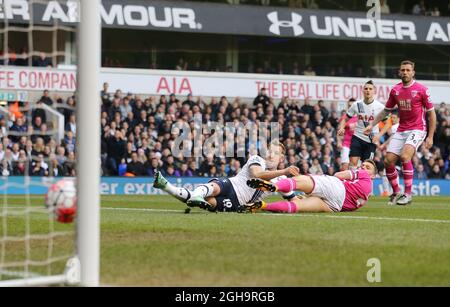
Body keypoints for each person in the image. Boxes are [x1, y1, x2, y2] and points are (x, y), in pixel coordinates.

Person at [364, 60, 436, 206]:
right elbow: (386, 111)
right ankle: (396, 192)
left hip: (418, 128)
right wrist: (372, 124)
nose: (405, 72)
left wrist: (430, 136)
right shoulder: (396, 90)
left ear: (413, 72)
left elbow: (431, 114)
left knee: (404, 156)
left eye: (408, 70)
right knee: (388, 161)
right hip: (402, 129)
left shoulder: (422, 90)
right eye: (403, 70)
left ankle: (408, 194)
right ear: (399, 72)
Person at [153, 141, 300, 212]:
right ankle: (182, 191)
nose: (269, 154)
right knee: (214, 188)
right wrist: (284, 171)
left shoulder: (282, 181)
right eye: (269, 150)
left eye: (275, 152)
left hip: (237, 204)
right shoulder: (257, 159)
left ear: (281, 158)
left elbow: (293, 199)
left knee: (208, 201)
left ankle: (166, 186)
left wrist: (308, 199)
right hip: (232, 185)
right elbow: (258, 175)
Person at [245, 159, 377, 213]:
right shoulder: (366, 196)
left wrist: (355, 171)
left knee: (301, 180)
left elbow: (338, 175)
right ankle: (263, 206)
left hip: (337, 188)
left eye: (368, 167)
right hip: (335, 206)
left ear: (373, 176)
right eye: (363, 165)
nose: (363, 167)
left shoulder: (364, 175)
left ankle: (274, 187)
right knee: (298, 206)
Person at [338, 80, 386, 169]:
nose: (368, 90)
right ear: (363, 91)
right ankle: (353, 182)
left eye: (370, 89)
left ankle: (365, 182)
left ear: (374, 91)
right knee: (353, 162)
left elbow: (388, 123)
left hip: (371, 140)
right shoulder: (357, 105)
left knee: (366, 166)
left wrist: (379, 135)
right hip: (357, 137)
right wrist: (341, 127)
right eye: (366, 89)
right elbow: (345, 118)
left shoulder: (380, 106)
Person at [337, 98, 357, 171]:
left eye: (352, 105)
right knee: (345, 165)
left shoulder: (360, 117)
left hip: (357, 144)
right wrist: (339, 142)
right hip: (346, 143)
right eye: (349, 105)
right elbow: (339, 130)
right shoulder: (345, 117)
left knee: (354, 166)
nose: (351, 107)